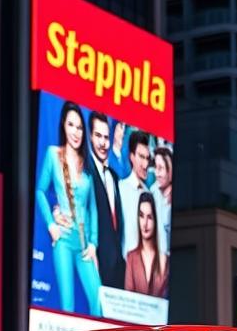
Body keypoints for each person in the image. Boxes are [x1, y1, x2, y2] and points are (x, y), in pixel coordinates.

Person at [35, 101, 102, 317]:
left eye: (80, 127)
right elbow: (40, 191)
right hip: (62, 240)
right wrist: (51, 224)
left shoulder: (87, 164)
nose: (76, 132)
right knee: (67, 307)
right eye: (71, 125)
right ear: (63, 125)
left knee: (98, 302)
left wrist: (93, 243)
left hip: (83, 244)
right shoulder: (53, 155)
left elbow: (92, 209)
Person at [86, 111, 126, 290]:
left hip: (117, 273)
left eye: (106, 137)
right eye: (98, 136)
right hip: (94, 267)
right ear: (90, 137)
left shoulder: (115, 178)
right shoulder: (84, 172)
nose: (103, 143)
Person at [124, 192, 168, 298]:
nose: (145, 223)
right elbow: (128, 297)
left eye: (149, 217)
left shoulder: (165, 259)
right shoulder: (131, 258)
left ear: (155, 220)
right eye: (141, 216)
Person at [118, 130, 153, 259]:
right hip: (124, 267)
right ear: (132, 157)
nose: (145, 164)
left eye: (147, 158)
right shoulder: (120, 188)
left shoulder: (149, 194)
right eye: (141, 157)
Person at [150, 146, 173, 256]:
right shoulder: (153, 191)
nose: (156, 173)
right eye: (155, 167)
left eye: (160, 168)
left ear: (170, 171)